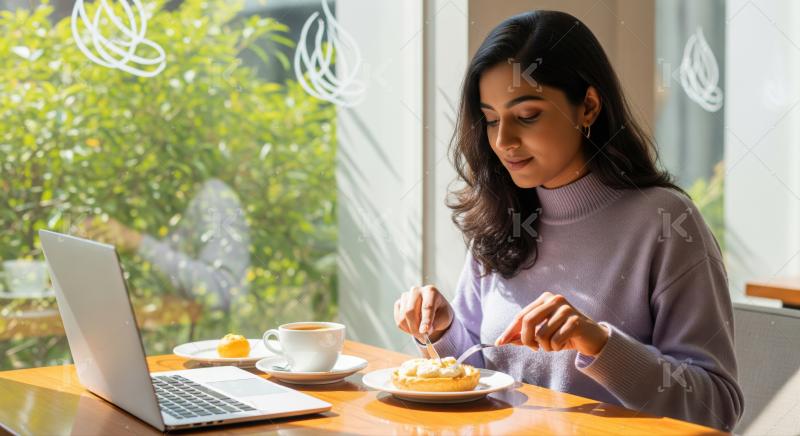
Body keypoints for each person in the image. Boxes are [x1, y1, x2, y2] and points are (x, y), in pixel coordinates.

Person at [393, 10, 743, 431]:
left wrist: (599, 343)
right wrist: (443, 329)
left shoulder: (665, 222)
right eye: (490, 119)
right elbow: (481, 370)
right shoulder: (502, 215)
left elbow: (717, 407)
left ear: (589, 107)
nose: (503, 141)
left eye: (527, 115)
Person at [82, 178, 250, 312]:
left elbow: (221, 290)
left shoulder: (213, 197)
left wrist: (137, 242)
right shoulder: (141, 196)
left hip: (197, 349)